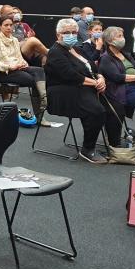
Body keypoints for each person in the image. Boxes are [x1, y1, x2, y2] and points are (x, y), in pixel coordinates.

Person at [45, 18, 108, 164]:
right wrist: (95, 83)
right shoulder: (55, 52)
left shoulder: (78, 49)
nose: (71, 35)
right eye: (66, 32)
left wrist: (101, 78)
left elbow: (93, 67)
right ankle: (88, 149)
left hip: (83, 87)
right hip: (61, 92)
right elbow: (70, 76)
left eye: (74, 32)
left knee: (114, 102)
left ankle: (115, 142)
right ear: (58, 35)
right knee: (97, 110)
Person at [0, 15, 49, 125]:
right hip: (3, 72)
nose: (9, 27)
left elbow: (19, 57)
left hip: (17, 68)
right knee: (33, 80)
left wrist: (23, 63)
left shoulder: (15, 40)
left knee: (39, 71)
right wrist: (12, 66)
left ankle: (43, 99)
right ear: (0, 26)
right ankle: (40, 112)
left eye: (10, 25)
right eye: (6, 25)